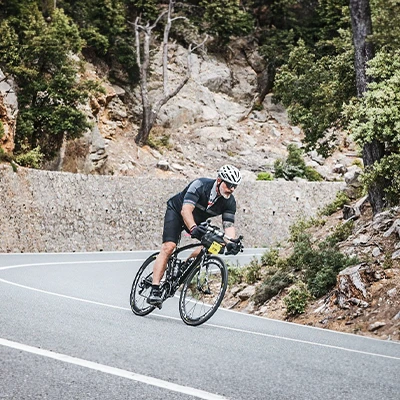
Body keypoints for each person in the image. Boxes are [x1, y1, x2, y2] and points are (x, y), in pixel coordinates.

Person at [147, 164, 243, 305]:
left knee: (212, 245)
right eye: (229, 185)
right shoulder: (200, 185)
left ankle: (185, 266)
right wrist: (192, 228)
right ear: (219, 180)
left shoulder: (230, 201)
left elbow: (228, 226)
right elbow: (186, 210)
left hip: (197, 222)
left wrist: (231, 243)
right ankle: (155, 290)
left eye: (235, 186)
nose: (232, 189)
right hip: (177, 212)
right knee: (169, 247)